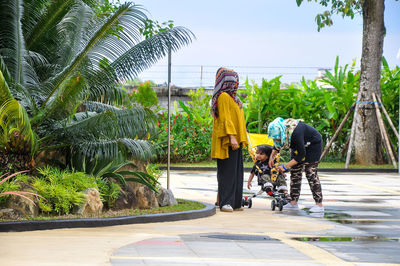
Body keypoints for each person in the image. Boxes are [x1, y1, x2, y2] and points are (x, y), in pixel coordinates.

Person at [267, 117, 324, 213]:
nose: (276, 139)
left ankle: (319, 204)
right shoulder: (285, 132)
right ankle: (293, 203)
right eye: (275, 138)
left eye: (277, 137)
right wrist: (271, 157)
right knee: (295, 173)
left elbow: (301, 155)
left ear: (282, 132)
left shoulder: (296, 133)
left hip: (313, 145)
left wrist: (285, 166)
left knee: (310, 173)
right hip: (299, 146)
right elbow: (277, 145)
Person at [211, 67, 248, 212]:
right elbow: (225, 118)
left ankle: (235, 202)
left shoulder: (235, 99)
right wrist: (232, 136)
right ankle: (225, 202)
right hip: (227, 140)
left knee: (236, 172)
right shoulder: (223, 97)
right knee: (227, 171)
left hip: (236, 140)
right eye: (232, 80)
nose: (235, 83)